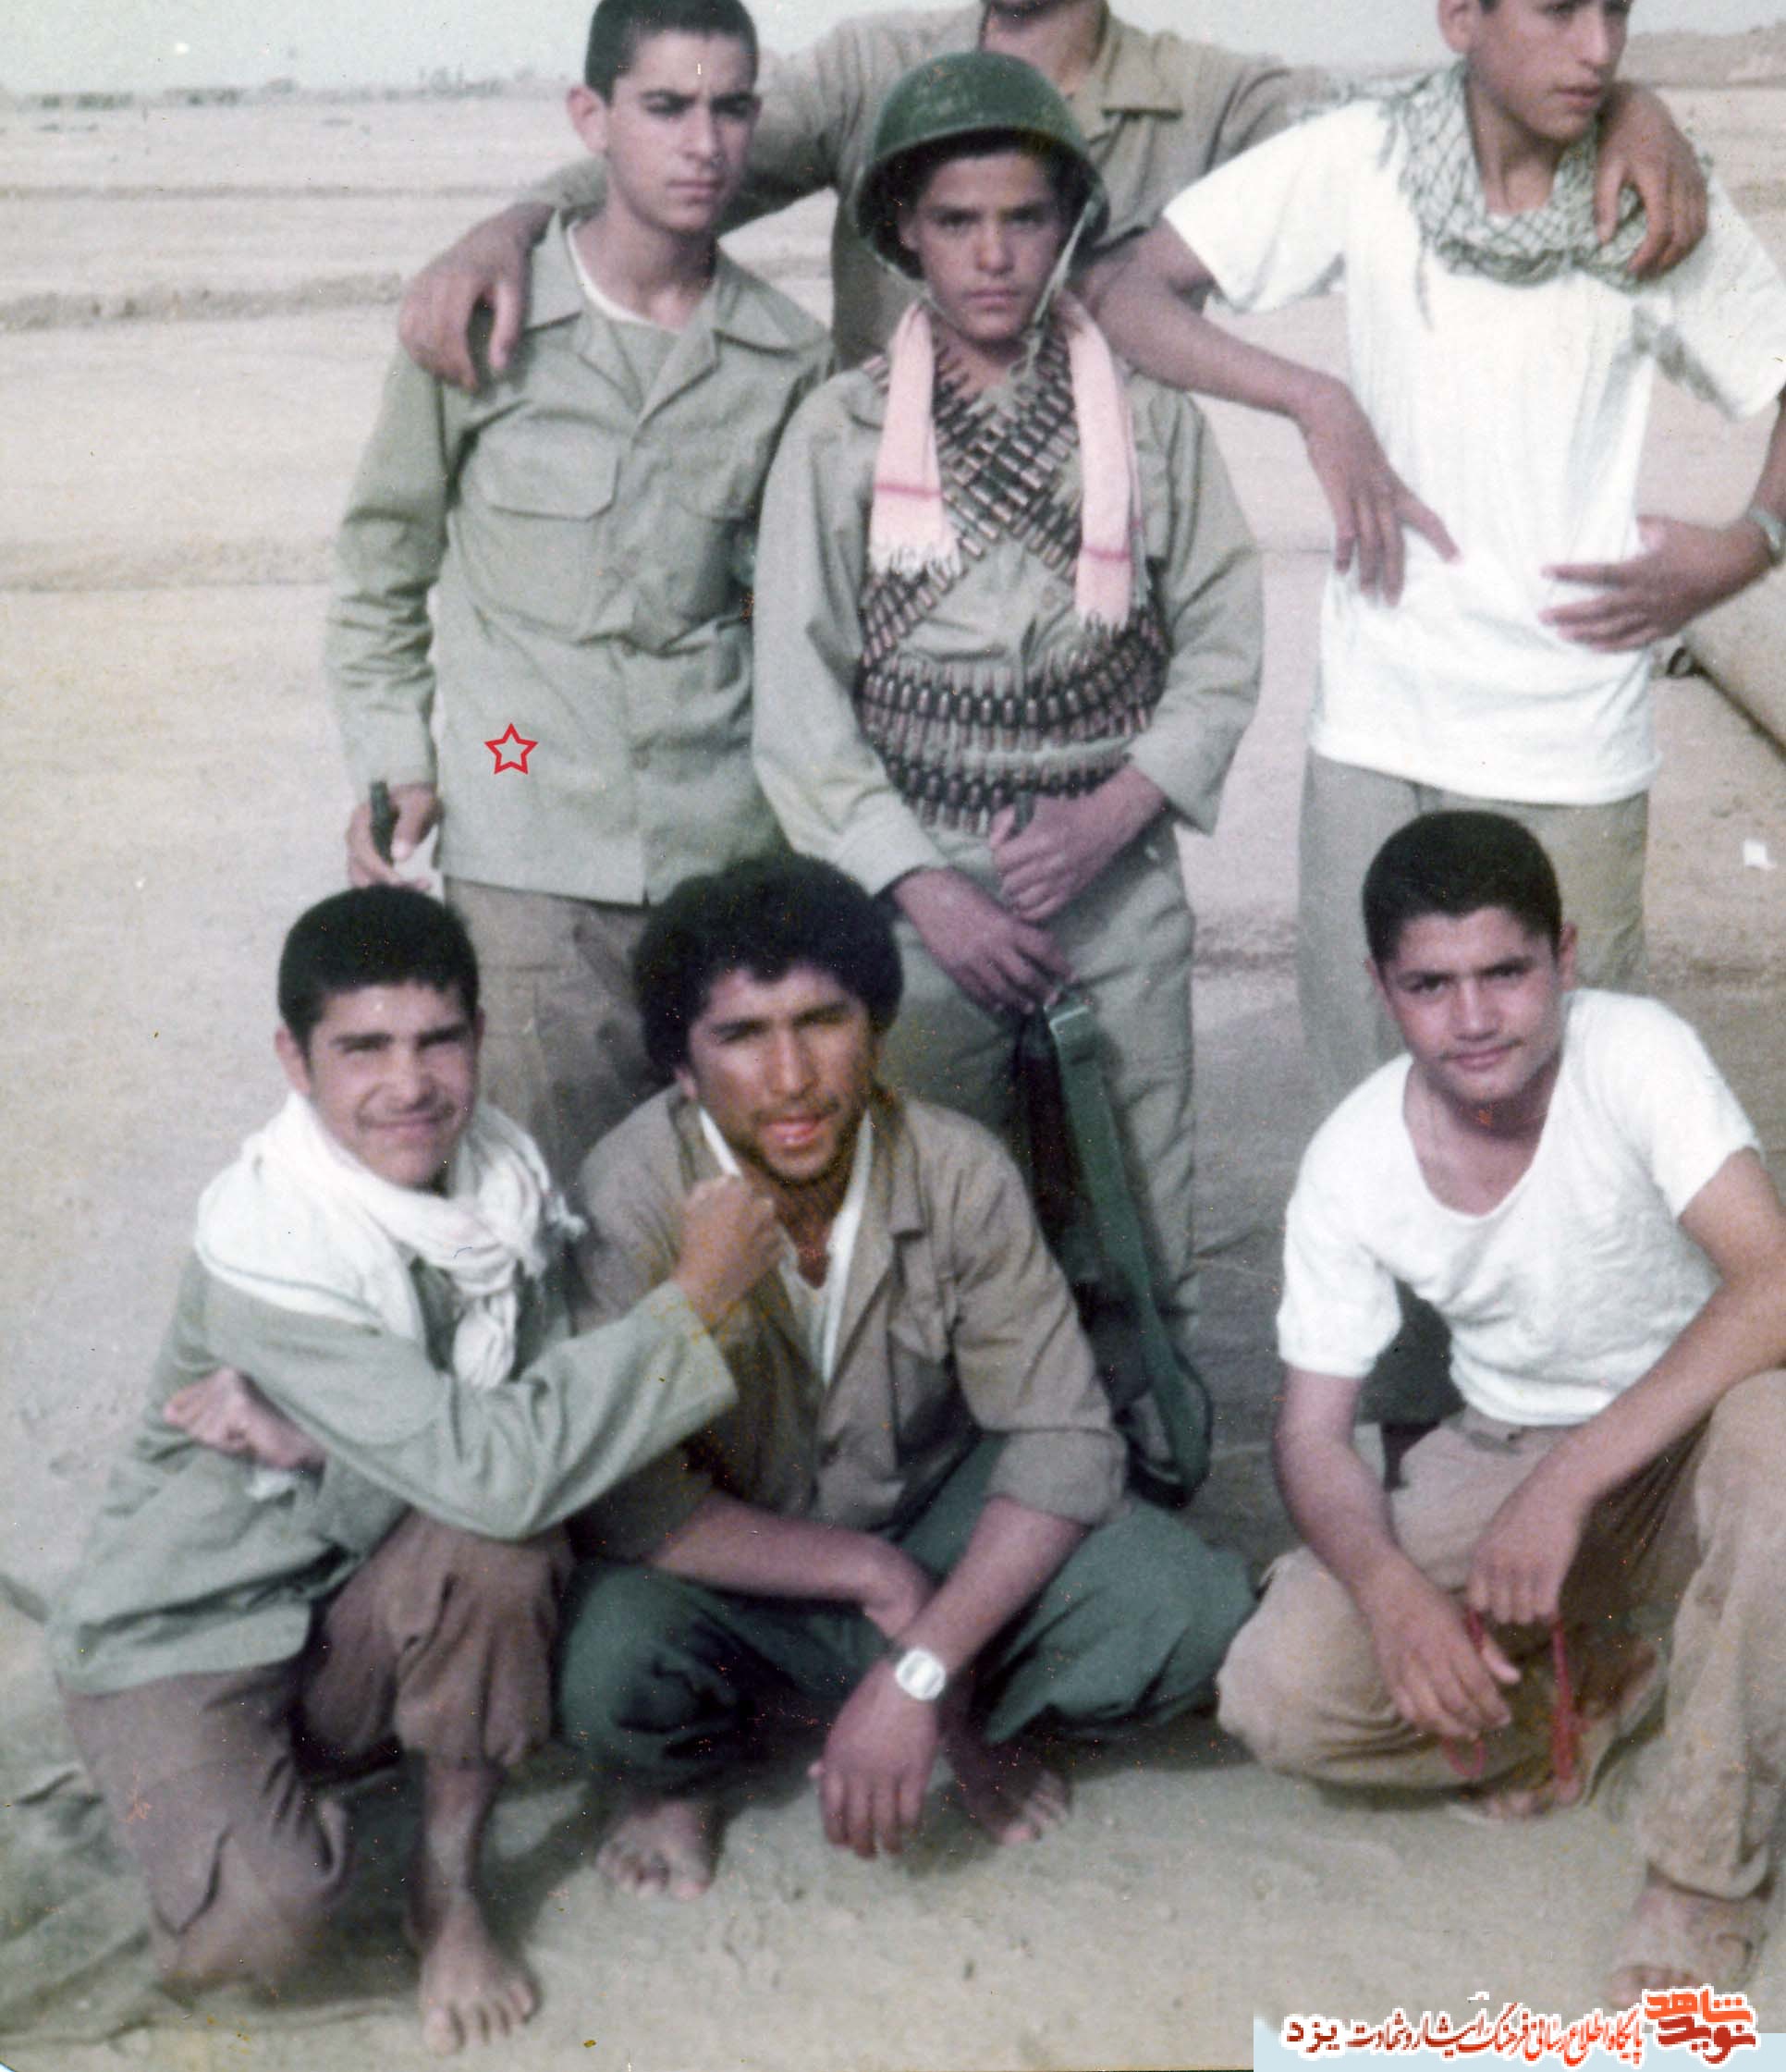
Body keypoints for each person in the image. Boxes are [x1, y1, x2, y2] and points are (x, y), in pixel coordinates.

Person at [395, 0, 1704, 604]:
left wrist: (1632, 106)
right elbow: (673, 167)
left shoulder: (1206, 97)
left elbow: (1423, 125)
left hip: (1089, 585)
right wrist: (510, 224)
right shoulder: (875, 69)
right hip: (879, 557)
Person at [1091, 0, 1786, 1434]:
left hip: (1568, 741)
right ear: (1460, 14)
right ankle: (1406, 1457)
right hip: (1378, 736)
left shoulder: (1647, 195)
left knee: (1573, 1136)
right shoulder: (1360, 161)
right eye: (1559, 9)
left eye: (1617, 12)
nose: (1597, 47)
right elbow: (1132, 292)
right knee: (1377, 1123)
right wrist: (1310, 396)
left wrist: (1744, 545)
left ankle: (1589, 1463)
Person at [50, 888, 780, 2054]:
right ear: (294, 1060)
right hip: (193, 1631)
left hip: (350, 1595)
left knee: (500, 1544)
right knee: (264, 1927)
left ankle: (446, 1889)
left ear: (481, 1037)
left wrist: (325, 1444)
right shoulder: (271, 1240)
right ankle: (229, 1799)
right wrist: (692, 1300)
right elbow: (501, 1456)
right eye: (363, 1048)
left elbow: (515, 1461)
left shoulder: (500, 1185)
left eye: (439, 1039)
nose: (410, 1084)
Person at [556, 856, 1255, 1895]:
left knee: (1187, 1609)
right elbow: (630, 1499)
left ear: (876, 1029)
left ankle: (928, 1703)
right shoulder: (627, 1194)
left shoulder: (957, 1165)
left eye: (823, 1022)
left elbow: (1065, 1442)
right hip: (740, 1569)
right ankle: (683, 1775)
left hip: (932, 1520)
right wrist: (872, 1578)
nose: (791, 1077)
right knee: (604, 1665)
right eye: (742, 1036)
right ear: (682, 1070)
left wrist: (924, 1664)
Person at [748, 52, 1259, 1435]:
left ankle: (1146, 1458)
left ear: (1068, 225)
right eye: (957, 221)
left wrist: (1113, 814)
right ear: (904, 232)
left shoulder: (1150, 421)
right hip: (917, 890)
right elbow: (799, 701)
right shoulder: (841, 436)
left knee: (1136, 1192)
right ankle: (952, 1478)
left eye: (1024, 218)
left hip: (1112, 866)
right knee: (926, 1203)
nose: (992, 254)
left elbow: (1221, 649)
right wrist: (928, 891)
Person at [1214, 812, 1786, 2003]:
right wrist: (1390, 1591)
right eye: (1430, 984)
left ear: (1564, 956)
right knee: (1281, 1692)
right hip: (1504, 1451)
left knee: (1780, 1445)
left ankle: (1702, 1871)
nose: (1473, 1017)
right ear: (1381, 987)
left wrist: (1569, 1478)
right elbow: (1310, 1432)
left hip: (1695, 1430)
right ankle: (1605, 1680)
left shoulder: (1636, 1052)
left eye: (1505, 971)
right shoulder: (1352, 1157)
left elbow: (1773, 1284)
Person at [326, 0, 833, 1184]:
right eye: (665, 106)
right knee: (544, 1203)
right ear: (590, 116)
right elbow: (382, 567)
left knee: (736, 1205)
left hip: (725, 855)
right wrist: (399, 762)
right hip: (525, 829)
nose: (703, 143)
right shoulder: (483, 325)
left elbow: (796, 623)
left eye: (730, 107)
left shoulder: (788, 361)